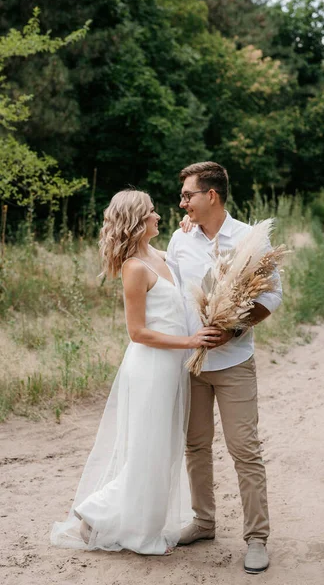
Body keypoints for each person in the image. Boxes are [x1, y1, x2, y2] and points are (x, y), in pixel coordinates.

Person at [51, 189, 221, 555]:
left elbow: (192, 253)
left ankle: (132, 522)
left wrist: (191, 224)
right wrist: (191, 342)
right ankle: (96, 513)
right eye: (152, 212)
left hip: (171, 367)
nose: (159, 216)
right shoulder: (134, 267)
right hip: (150, 369)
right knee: (147, 449)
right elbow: (138, 332)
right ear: (137, 220)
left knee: (162, 449)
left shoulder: (159, 255)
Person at [166, 162, 282, 574]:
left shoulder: (250, 238)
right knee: (195, 446)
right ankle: (203, 521)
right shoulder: (179, 241)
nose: (182, 202)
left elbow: (272, 298)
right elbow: (171, 294)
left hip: (234, 362)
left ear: (210, 195)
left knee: (244, 450)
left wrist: (233, 329)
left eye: (187, 195)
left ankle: (256, 538)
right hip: (191, 364)